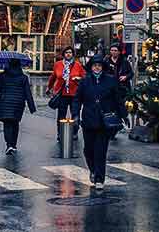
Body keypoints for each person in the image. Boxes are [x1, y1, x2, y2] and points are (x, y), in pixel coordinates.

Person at [71, 56, 128, 191]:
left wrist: (123, 115)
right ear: (91, 67)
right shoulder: (85, 82)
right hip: (89, 120)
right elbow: (77, 100)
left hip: (104, 121)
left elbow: (117, 99)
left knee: (101, 151)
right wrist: (75, 115)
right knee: (88, 150)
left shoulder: (110, 81)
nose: (97, 68)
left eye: (99, 65)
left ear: (103, 67)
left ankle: (99, 178)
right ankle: (93, 170)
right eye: (95, 65)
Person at [0, 59, 36, 155]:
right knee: (15, 123)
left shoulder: (2, 76)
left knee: (7, 124)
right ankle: (14, 145)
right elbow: (27, 93)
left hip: (5, 102)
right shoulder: (23, 77)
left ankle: (9, 145)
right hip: (18, 104)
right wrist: (32, 107)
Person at [47, 47, 85, 141]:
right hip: (62, 94)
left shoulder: (78, 65)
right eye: (66, 52)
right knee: (61, 115)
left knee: (75, 115)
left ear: (73, 54)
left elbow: (85, 77)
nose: (68, 54)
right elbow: (53, 76)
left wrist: (78, 78)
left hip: (75, 94)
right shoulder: (58, 64)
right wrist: (49, 87)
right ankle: (60, 133)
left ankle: (74, 132)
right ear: (63, 54)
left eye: (70, 52)